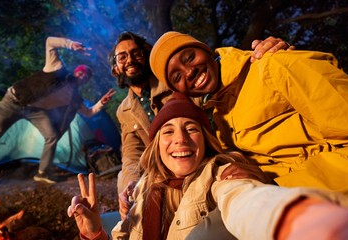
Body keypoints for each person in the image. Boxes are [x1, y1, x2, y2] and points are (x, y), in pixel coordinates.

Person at [67, 93, 348, 240]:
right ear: (155, 146)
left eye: (191, 129)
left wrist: (310, 229)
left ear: (205, 140)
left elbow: (247, 202)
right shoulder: (143, 188)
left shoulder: (220, 174)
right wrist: (94, 235)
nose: (180, 140)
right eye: (167, 131)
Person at [149, 31, 348, 194]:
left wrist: (279, 184)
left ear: (206, 49)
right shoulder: (220, 118)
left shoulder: (273, 64)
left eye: (190, 57)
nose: (189, 72)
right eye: (177, 77)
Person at [110, 31, 293, 194]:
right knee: (124, 182)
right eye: (122, 57)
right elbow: (131, 151)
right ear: (115, 68)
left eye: (136, 53)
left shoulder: (175, 81)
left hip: (200, 159)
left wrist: (260, 54)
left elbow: (216, 79)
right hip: (166, 167)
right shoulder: (124, 110)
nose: (130, 60)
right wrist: (131, 182)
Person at [0, 36, 115, 184]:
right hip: (12, 101)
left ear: (85, 82)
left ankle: (42, 173)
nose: (82, 77)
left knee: (52, 136)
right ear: (75, 71)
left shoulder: (75, 97)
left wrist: (101, 103)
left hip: (33, 111)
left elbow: (89, 112)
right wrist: (70, 44)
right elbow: (49, 42)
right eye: (81, 73)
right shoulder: (57, 68)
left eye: (86, 77)